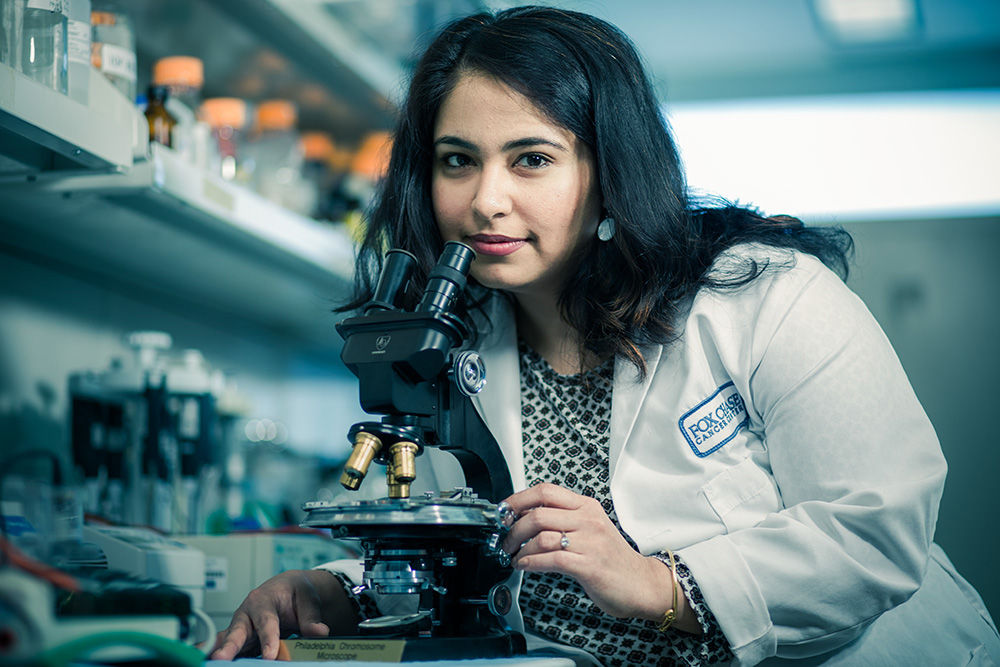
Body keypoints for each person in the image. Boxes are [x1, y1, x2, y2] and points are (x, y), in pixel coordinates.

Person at [211, 6, 999, 666]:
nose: (487, 199)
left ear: (609, 171)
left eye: (531, 159)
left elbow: (876, 530)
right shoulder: (456, 337)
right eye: (458, 160)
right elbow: (467, 550)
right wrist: (341, 592)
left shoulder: (764, 298)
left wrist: (660, 583)